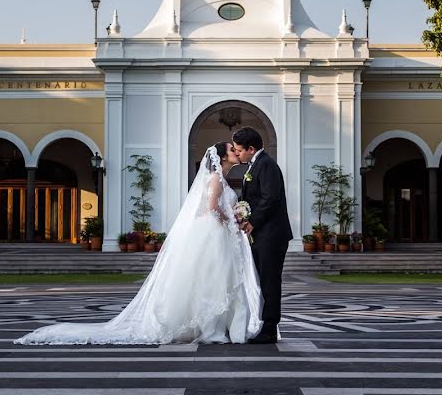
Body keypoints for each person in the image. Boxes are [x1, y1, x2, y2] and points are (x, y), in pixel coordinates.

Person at [15, 142, 262, 345]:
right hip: (214, 233)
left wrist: (234, 218)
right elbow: (211, 209)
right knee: (213, 280)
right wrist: (234, 220)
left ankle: (215, 327)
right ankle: (212, 329)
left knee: (213, 279)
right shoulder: (216, 179)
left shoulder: (218, 178)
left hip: (214, 233)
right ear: (222, 157)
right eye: (232, 150)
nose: (236, 152)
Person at [232, 126, 292, 344]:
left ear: (251, 148)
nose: (238, 154)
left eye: (239, 150)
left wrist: (252, 223)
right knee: (264, 281)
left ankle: (270, 328)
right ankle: (265, 324)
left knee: (270, 282)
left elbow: (270, 198)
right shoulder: (256, 164)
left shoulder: (265, 165)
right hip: (264, 235)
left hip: (271, 235)